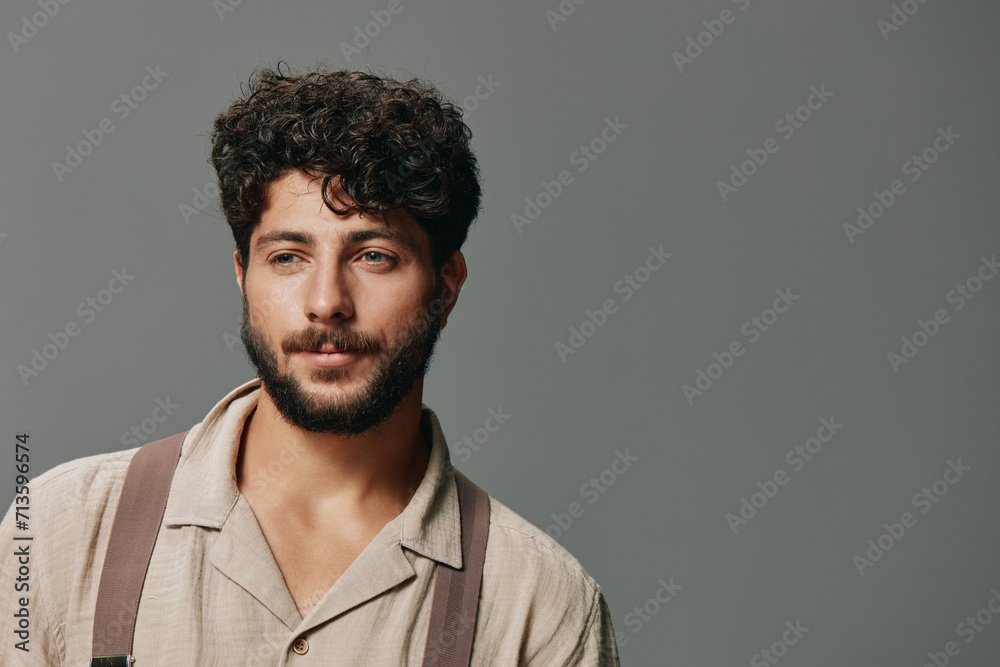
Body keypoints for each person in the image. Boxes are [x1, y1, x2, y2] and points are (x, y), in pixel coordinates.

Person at [0, 64, 620, 665]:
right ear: (244, 276)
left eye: (374, 255)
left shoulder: (541, 608)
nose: (326, 302)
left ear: (446, 285)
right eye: (288, 257)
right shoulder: (59, 530)